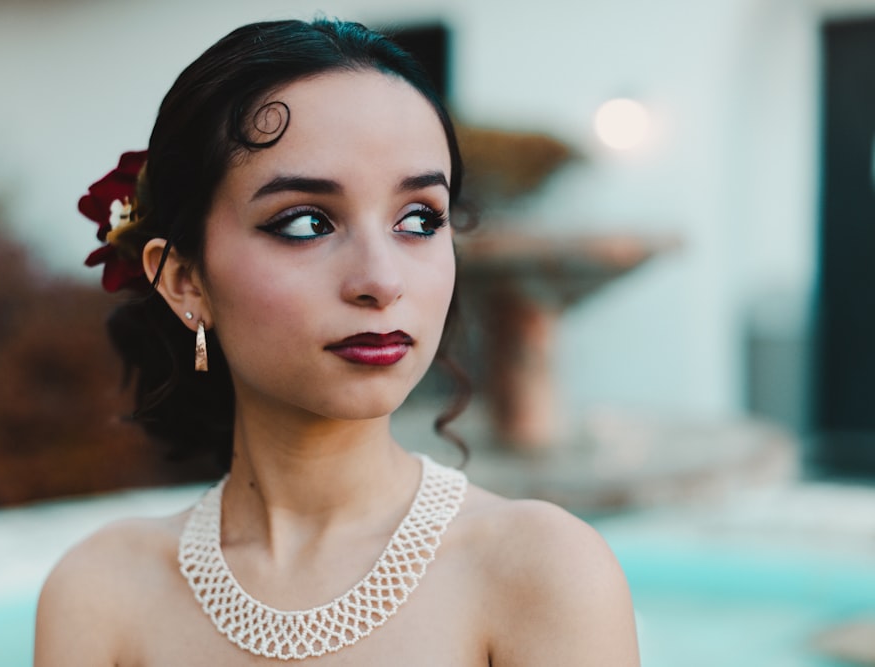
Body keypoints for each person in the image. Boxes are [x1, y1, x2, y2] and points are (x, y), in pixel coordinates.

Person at [34, 18, 640, 666]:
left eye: (419, 218)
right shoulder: (101, 595)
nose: (381, 280)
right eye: (306, 222)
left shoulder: (542, 574)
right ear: (185, 281)